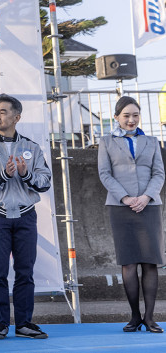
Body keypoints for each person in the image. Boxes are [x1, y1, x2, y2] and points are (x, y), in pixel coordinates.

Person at [0, 93, 51, 339]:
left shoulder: (32, 147)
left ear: (17, 117)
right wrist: (4, 175)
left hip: (26, 216)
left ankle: (24, 324)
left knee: (25, 271)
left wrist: (26, 174)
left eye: (3, 112)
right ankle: (0, 324)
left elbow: (45, 181)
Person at [97, 96, 165, 333]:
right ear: (116, 117)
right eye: (126, 115)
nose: (131, 120)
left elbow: (159, 173)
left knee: (150, 262)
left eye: (135, 115)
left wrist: (146, 197)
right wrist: (125, 198)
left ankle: (150, 317)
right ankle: (135, 316)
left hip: (149, 206)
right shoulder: (106, 142)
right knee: (128, 262)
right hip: (121, 207)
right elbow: (105, 174)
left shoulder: (152, 141)